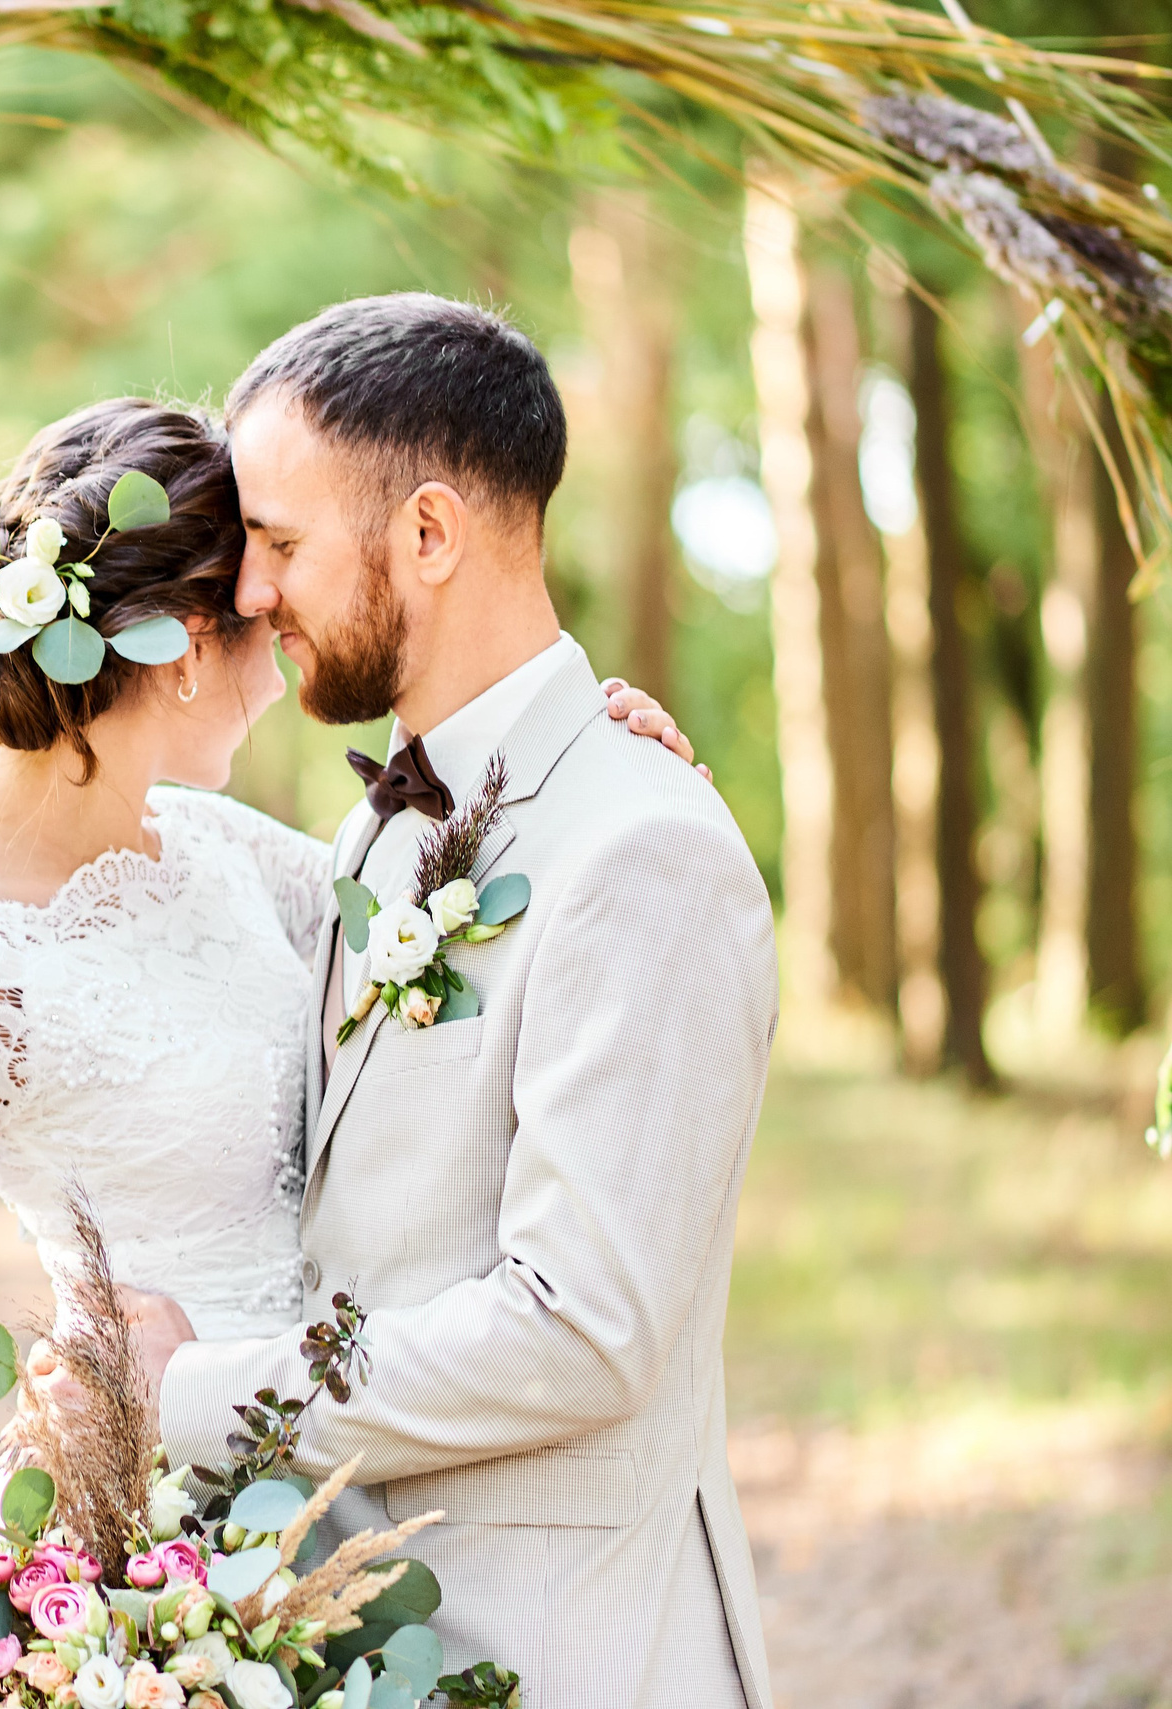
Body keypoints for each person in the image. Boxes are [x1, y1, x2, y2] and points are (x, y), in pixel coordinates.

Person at [0, 391, 699, 1589]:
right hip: (172, 1561)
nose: (283, 635)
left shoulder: (228, 854)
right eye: (258, 604)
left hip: (374, 1479)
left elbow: (472, 961)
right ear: (180, 643)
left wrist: (603, 786)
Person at [38, 295, 778, 1709]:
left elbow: (581, 1326)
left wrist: (183, 1391)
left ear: (429, 536)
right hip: (365, 1637)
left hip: (572, 1651)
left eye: (281, 543)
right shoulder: (382, 826)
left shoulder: (644, 848)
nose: (247, 594)